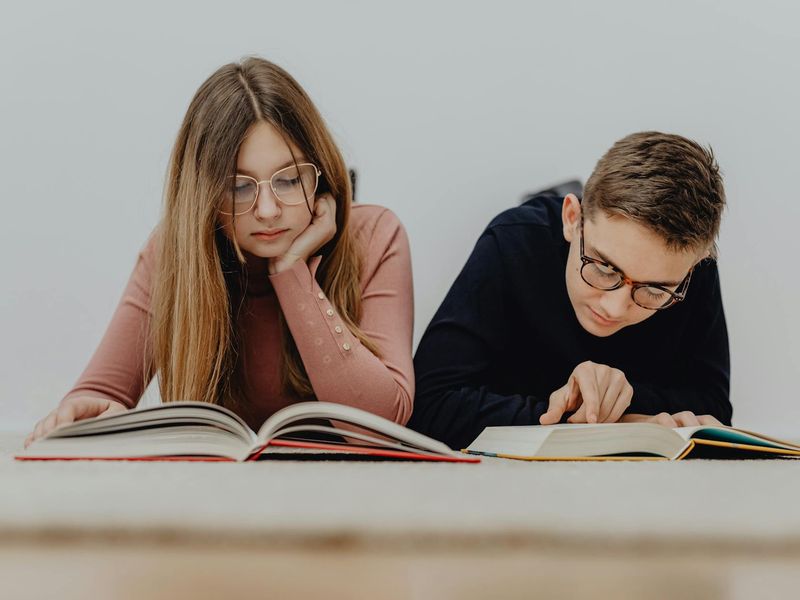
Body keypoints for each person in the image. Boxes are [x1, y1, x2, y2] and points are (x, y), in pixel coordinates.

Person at [26, 57, 414, 446]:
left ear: (321, 172)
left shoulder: (374, 236)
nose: (267, 211)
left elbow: (380, 426)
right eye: (239, 187)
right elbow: (100, 394)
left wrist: (292, 271)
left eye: (290, 180)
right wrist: (84, 414)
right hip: (219, 493)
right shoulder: (174, 253)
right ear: (205, 195)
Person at [409, 132, 730, 449]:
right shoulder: (514, 240)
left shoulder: (691, 271)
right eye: (605, 268)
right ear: (572, 218)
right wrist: (605, 423)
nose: (615, 308)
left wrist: (623, 397)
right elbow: (429, 406)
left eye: (655, 290)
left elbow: (712, 410)